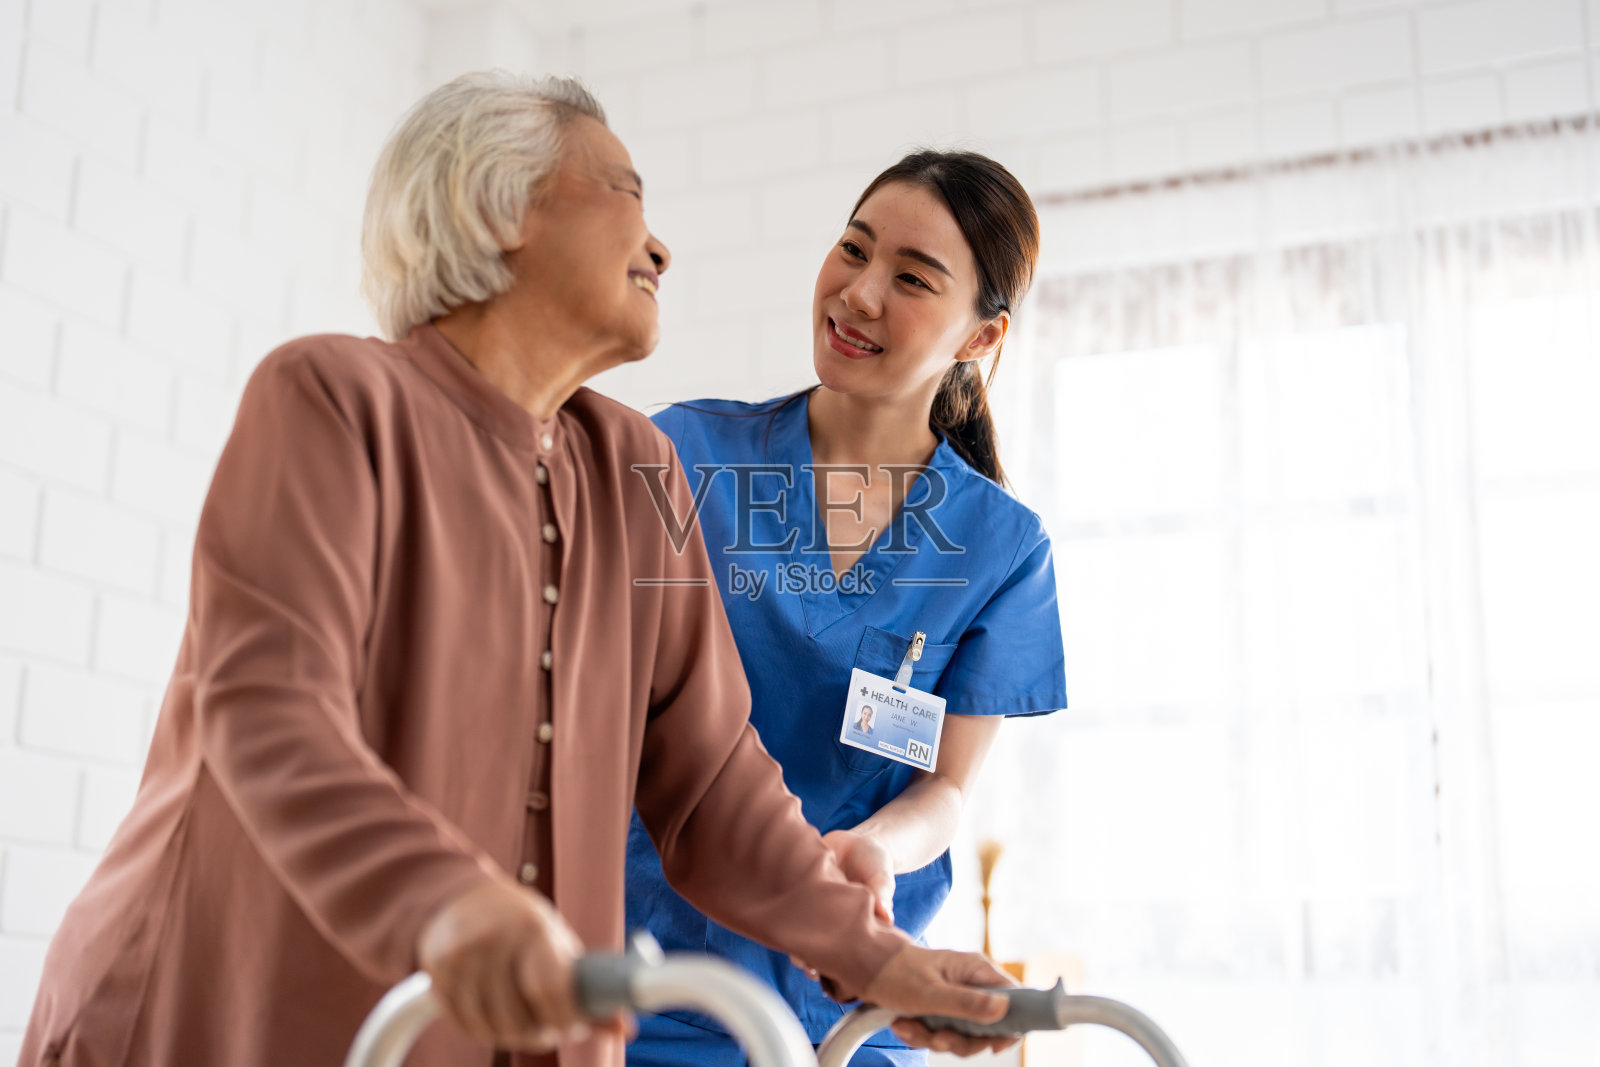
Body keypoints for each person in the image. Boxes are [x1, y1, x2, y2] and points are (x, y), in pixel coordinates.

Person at [17, 75, 1018, 1067]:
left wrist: (879, 957)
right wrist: (447, 901)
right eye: (626, 195)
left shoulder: (639, 470)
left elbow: (711, 783)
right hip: (211, 1016)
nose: (659, 246)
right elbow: (269, 713)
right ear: (498, 215)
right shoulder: (330, 399)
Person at [625, 150, 1069, 1066]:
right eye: (853, 249)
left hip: (852, 1012)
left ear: (980, 337)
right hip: (650, 981)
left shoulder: (1000, 547)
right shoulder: (684, 457)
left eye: (911, 278)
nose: (860, 293)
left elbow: (945, 790)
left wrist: (873, 845)